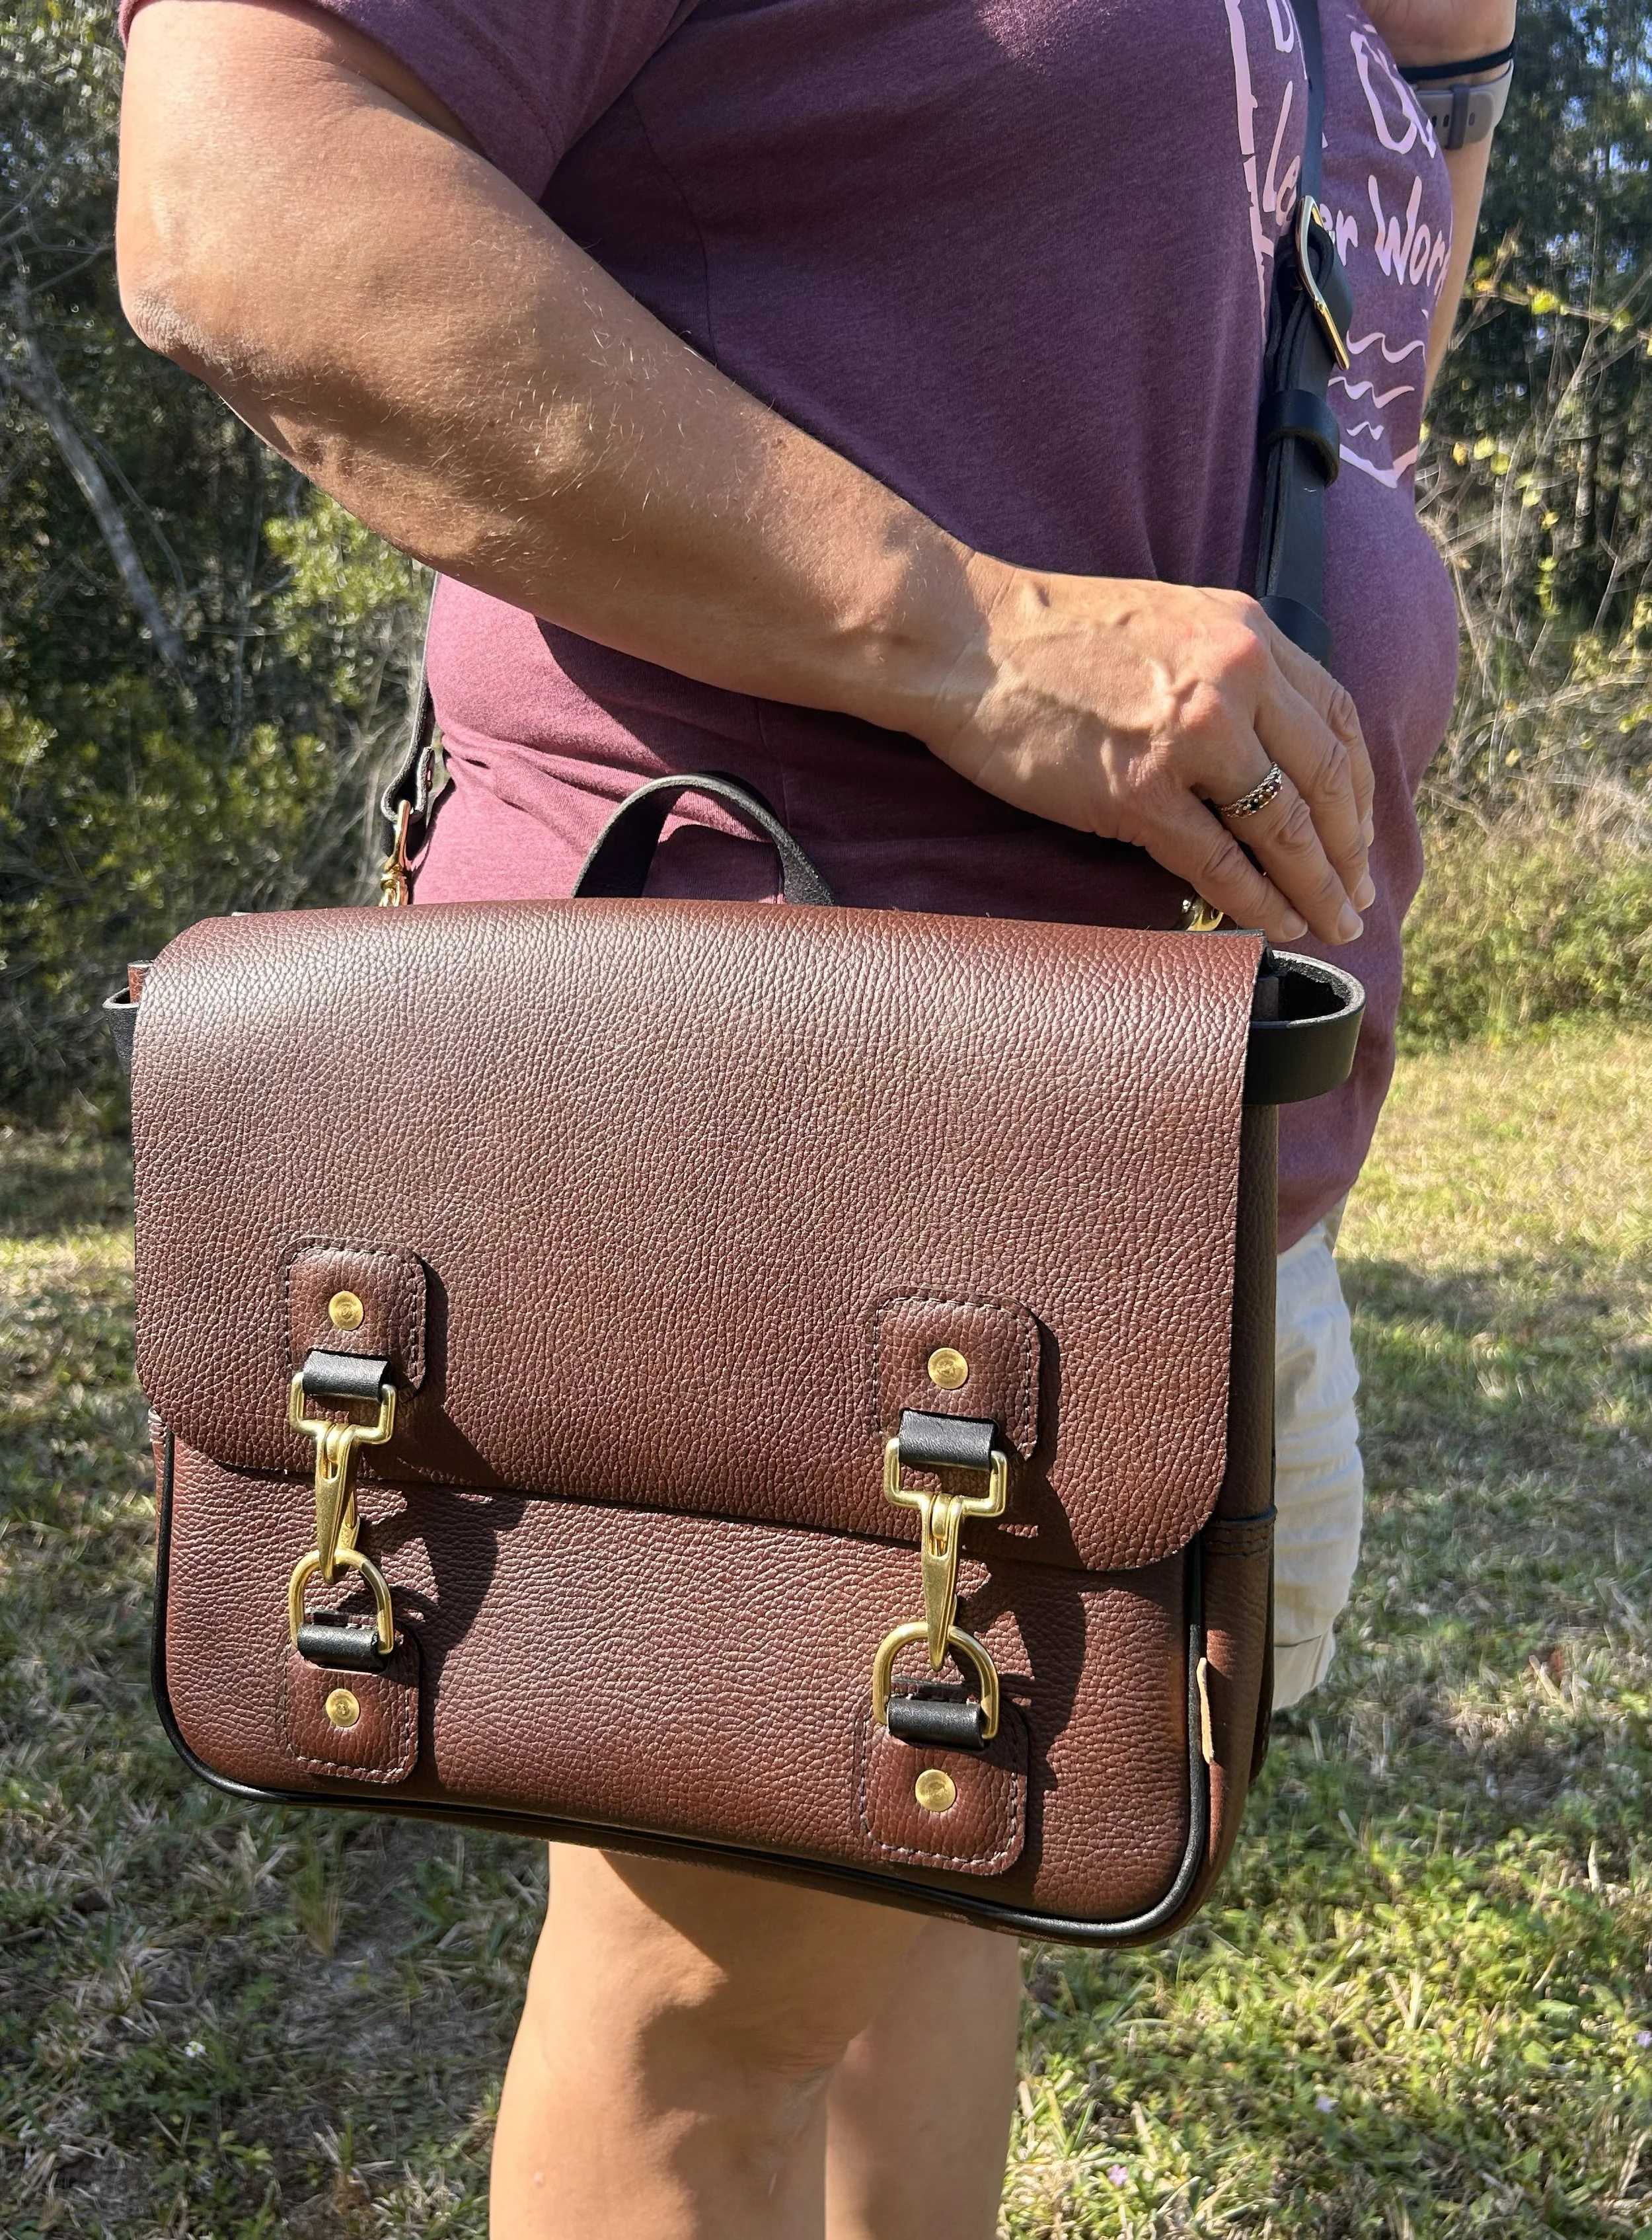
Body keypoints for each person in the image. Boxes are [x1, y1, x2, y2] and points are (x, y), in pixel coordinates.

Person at [114, 1, 1513, 2231]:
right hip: (815, 1136)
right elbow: (241, 194)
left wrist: (1449, 71)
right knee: (711, 2016)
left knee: (950, 1881)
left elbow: (1302, 411)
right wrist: (970, 635)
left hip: (1140, 1145)